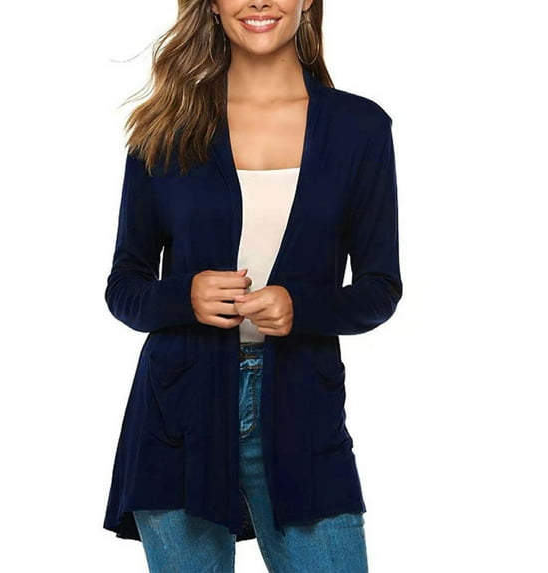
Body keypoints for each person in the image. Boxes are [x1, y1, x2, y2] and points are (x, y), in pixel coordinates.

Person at [103, 1, 402, 571]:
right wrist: (183, 297)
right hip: (178, 413)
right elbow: (125, 285)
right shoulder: (165, 127)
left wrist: (301, 307)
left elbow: (380, 288)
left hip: (303, 410)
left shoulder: (360, 128)